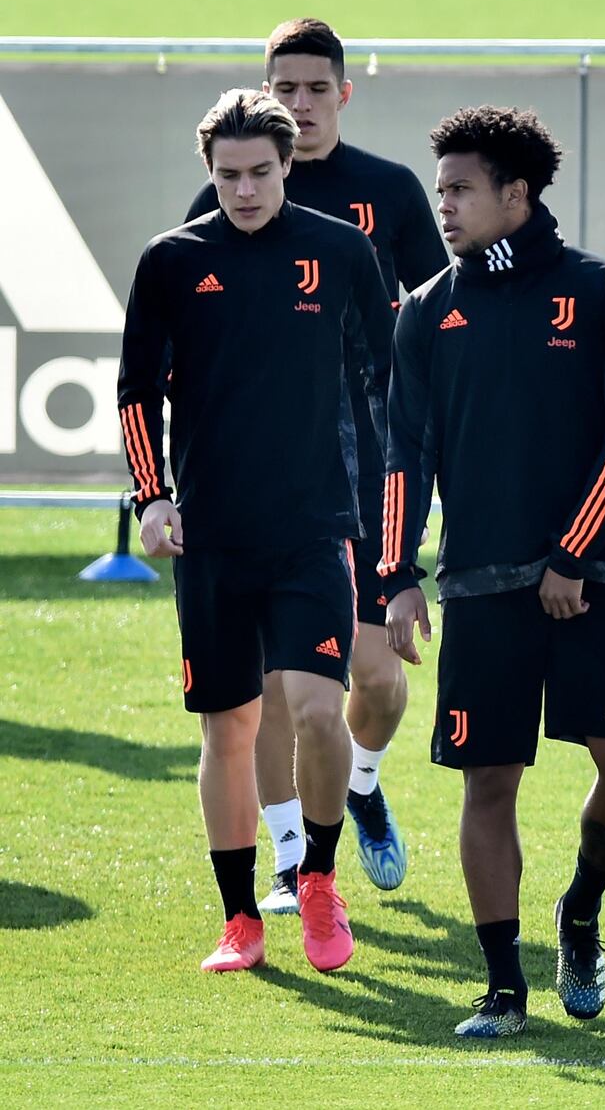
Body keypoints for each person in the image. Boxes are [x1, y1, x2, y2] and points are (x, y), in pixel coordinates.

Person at [379, 105, 605, 1037]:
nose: (446, 207)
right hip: (478, 587)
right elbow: (403, 453)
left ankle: (579, 914)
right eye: (441, 190)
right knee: (486, 782)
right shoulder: (426, 310)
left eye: (462, 189)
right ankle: (504, 988)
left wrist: (575, 555)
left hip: (596, 579)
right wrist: (398, 572)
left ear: (517, 194)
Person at [118, 88, 395, 974]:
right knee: (227, 731)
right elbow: (134, 392)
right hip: (212, 539)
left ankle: (316, 877)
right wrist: (151, 497)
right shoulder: (169, 261)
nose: (245, 190)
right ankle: (241, 918)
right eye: (228, 175)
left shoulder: (340, 251)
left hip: (316, 528)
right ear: (209, 171)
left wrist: (393, 517)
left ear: (288, 166)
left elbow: (384, 384)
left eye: (261, 173)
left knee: (318, 712)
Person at [186, 18, 449, 913]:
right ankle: (293, 858)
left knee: (375, 679)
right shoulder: (216, 204)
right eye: (282, 87)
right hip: (265, 492)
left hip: (367, 469)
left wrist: (424, 450)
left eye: (313, 87)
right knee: (267, 695)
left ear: (343, 91)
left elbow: (428, 322)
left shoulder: (388, 192)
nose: (298, 102)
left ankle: (363, 784)